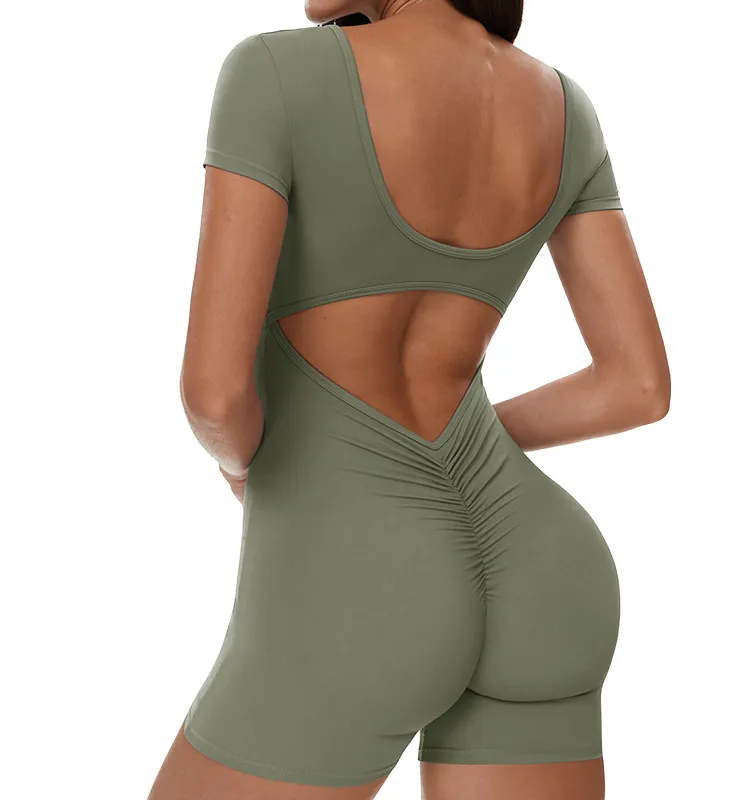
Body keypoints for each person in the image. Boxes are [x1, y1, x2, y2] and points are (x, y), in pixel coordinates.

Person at [149, 1, 670, 798]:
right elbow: (636, 386)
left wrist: (259, 470)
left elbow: (214, 395)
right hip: (542, 563)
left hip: (360, 580)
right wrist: (467, 449)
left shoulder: (274, 73)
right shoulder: (566, 109)